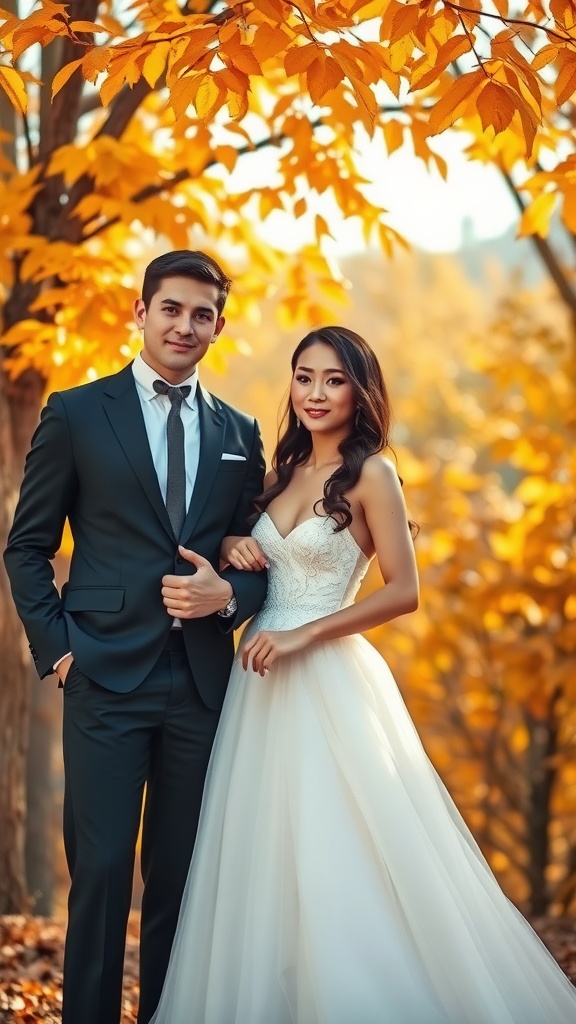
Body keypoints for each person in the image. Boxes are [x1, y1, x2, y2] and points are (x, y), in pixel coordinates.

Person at [149, 326, 576, 1024]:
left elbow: (403, 590)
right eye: (305, 377)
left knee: (338, 849)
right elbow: (248, 556)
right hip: (256, 687)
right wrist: (231, 541)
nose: (315, 393)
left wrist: (305, 634)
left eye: (334, 379)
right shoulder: (277, 474)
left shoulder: (372, 472)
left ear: (360, 391)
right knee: (262, 859)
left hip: (328, 676)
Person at [3, 250, 267, 1024]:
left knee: (180, 878)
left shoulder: (238, 433)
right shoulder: (77, 413)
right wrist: (57, 646)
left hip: (201, 684)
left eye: (203, 314)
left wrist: (229, 597)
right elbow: (26, 546)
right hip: (102, 674)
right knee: (104, 868)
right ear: (141, 312)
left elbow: (258, 558)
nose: (186, 325)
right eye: (172, 309)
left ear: (219, 327)